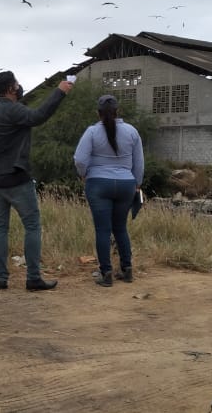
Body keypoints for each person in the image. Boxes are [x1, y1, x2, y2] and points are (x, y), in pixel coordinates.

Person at [0, 71, 73, 291]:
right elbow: (39, 116)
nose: (19, 86)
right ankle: (33, 278)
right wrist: (59, 92)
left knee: (0, 228)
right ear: (11, 88)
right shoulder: (13, 109)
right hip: (17, 179)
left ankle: (1, 278)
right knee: (32, 226)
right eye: (17, 84)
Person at [73, 95, 144, 287]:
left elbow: (80, 159)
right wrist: (137, 183)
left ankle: (106, 273)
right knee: (120, 228)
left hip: (98, 184)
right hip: (126, 184)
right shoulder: (131, 131)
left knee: (102, 230)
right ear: (117, 111)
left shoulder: (92, 132)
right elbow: (139, 162)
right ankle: (127, 269)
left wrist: (84, 174)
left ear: (98, 113)